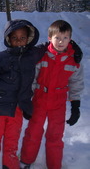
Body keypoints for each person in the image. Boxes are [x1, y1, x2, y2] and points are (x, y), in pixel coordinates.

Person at [0, 19, 47, 169]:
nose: (19, 42)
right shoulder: (0, 58)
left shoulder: (32, 55)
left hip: (17, 109)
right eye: (14, 38)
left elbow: (48, 47)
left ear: (29, 38)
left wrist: (71, 46)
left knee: (11, 144)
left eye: (22, 38)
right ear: (8, 39)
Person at [20, 20, 84, 169]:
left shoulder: (74, 60)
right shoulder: (41, 56)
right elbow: (32, 78)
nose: (61, 42)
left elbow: (76, 83)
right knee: (33, 132)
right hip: (40, 99)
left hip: (58, 102)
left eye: (65, 38)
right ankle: (26, 161)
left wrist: (76, 106)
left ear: (71, 39)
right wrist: (27, 101)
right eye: (57, 38)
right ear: (49, 38)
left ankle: (54, 165)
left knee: (55, 135)